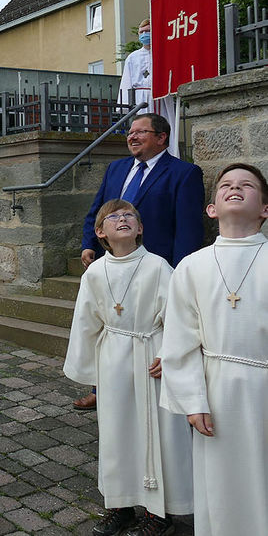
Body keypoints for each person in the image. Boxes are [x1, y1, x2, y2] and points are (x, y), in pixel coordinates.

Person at [64, 199, 192, 536]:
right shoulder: (94, 272)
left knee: (157, 431)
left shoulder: (158, 267)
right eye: (113, 217)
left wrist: (170, 354)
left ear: (140, 228)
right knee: (116, 432)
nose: (122, 219)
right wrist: (89, 369)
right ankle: (120, 506)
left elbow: (178, 316)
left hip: (151, 356)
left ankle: (158, 512)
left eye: (129, 216)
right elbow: (85, 321)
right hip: (113, 360)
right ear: (100, 232)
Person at [159, 163, 268, 536]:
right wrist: (192, 400)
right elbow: (180, 341)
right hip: (216, 392)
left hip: (263, 388)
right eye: (225, 185)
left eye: (247, 185)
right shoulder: (191, 267)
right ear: (211, 209)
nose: (234, 188)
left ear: (265, 209)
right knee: (222, 485)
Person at [74, 113, 204, 410]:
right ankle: (101, 386)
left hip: (154, 269)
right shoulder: (116, 169)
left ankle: (157, 385)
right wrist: (88, 244)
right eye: (130, 132)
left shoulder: (184, 174)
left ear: (162, 138)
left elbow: (188, 230)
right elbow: (98, 210)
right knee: (112, 325)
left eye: (141, 132)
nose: (132, 137)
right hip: (115, 265)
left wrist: (180, 274)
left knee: (149, 330)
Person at [119, 18, 178, 157]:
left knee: (164, 125)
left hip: (161, 96)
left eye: (148, 31)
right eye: (142, 32)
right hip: (141, 97)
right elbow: (127, 80)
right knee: (143, 128)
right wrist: (124, 105)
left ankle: (169, 155)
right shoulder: (133, 57)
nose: (144, 34)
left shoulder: (165, 53)